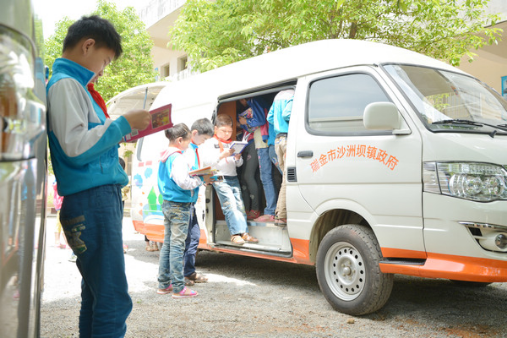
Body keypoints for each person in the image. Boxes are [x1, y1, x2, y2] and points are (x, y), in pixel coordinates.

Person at [46, 15, 151, 337]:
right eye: (104, 59)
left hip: (91, 199)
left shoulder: (71, 85)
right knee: (112, 298)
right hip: (92, 199)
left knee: (97, 294)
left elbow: (84, 139)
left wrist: (121, 130)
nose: (103, 69)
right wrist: (120, 124)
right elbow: (75, 146)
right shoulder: (67, 85)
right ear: (87, 45)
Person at [157, 123, 211, 298]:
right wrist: (201, 180)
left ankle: (164, 283)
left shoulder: (165, 156)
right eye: (188, 142)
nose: (189, 145)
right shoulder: (177, 158)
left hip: (168, 203)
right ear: (180, 140)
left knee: (168, 244)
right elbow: (183, 182)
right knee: (177, 246)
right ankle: (179, 287)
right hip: (180, 205)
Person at [200, 114, 259, 245]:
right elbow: (206, 162)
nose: (227, 134)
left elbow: (238, 164)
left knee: (240, 205)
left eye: (230, 131)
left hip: (233, 177)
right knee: (230, 205)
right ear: (215, 129)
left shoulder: (232, 144)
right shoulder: (210, 143)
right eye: (224, 131)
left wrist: (238, 158)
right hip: (219, 178)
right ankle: (235, 234)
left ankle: (244, 233)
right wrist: (222, 155)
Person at [183, 118, 214, 285]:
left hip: (192, 200)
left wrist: (205, 178)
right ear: (195, 133)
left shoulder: (195, 149)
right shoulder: (185, 151)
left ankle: (189, 272)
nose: (203, 143)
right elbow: (185, 176)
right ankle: (182, 274)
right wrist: (201, 179)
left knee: (194, 237)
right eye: (204, 139)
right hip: (183, 200)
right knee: (185, 239)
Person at [238, 98, 278, 223]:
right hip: (263, 139)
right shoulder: (260, 102)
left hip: (262, 140)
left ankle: (269, 210)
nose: (241, 101)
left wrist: (245, 122)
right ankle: (271, 209)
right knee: (269, 176)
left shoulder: (255, 101)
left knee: (265, 177)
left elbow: (260, 120)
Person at [267, 89, 294, 226]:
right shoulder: (293, 94)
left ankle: (279, 213)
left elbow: (270, 118)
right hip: (288, 139)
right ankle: (282, 215)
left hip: (278, 140)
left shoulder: (278, 96)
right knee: (288, 179)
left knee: (286, 178)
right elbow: (288, 113)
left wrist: (279, 125)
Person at [51, 179, 65, 248]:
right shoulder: (61, 180)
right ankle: (65, 242)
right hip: (62, 203)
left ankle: (57, 241)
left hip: (58, 204)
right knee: (62, 223)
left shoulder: (55, 181)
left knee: (58, 223)